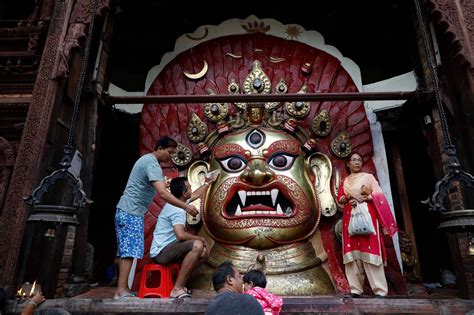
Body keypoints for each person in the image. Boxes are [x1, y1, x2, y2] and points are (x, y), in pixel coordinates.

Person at [114, 137, 199, 299]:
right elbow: (162, 193)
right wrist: (186, 206)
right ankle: (121, 290)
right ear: (159, 148)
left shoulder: (149, 163)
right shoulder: (151, 163)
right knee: (129, 252)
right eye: (170, 152)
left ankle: (121, 289)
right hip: (130, 211)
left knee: (126, 251)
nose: (171, 156)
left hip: (130, 211)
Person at [337, 152, 398, 298]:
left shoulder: (368, 178)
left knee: (371, 252)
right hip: (349, 221)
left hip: (368, 219)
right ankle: (355, 290)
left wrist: (364, 198)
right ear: (348, 163)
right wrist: (350, 198)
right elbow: (340, 199)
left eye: (359, 160)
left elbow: (379, 196)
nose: (357, 162)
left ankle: (380, 290)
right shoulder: (344, 180)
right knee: (352, 255)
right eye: (353, 160)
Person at [150, 176, 217, 298]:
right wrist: (201, 238)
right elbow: (180, 235)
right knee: (197, 245)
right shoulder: (177, 209)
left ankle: (178, 284)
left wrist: (208, 182)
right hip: (161, 253)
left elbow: (196, 194)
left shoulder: (180, 201)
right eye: (189, 188)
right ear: (184, 193)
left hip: (168, 249)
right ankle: (178, 288)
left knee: (203, 254)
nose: (192, 189)